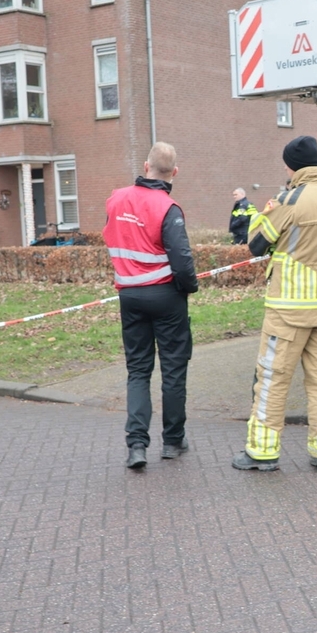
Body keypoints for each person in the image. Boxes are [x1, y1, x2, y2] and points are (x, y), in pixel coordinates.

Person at [232, 136, 317, 473]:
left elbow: (255, 244)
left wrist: (265, 213)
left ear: (291, 165)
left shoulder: (288, 200)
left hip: (288, 309)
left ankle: (262, 452)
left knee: (272, 378)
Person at [103, 142, 199, 470]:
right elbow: (182, 260)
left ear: (146, 167)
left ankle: (136, 446)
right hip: (165, 296)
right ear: (174, 172)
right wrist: (190, 288)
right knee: (173, 368)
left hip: (129, 296)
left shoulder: (116, 199)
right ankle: (172, 442)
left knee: (138, 370)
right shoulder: (168, 207)